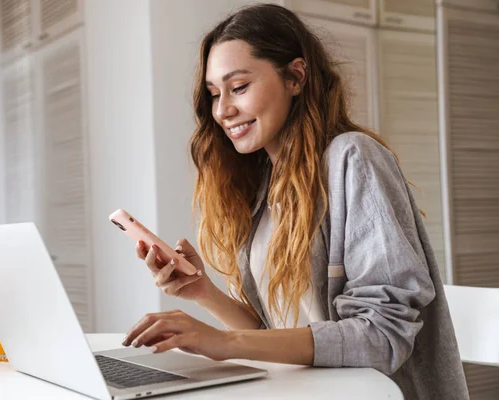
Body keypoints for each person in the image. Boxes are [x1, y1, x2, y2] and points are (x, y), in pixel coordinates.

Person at [121, 4, 468, 399]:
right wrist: (203, 292)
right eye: (215, 94)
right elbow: (277, 338)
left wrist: (223, 342)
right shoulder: (264, 189)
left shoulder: (352, 158)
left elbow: (382, 336)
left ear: (296, 77)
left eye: (238, 87)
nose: (222, 110)